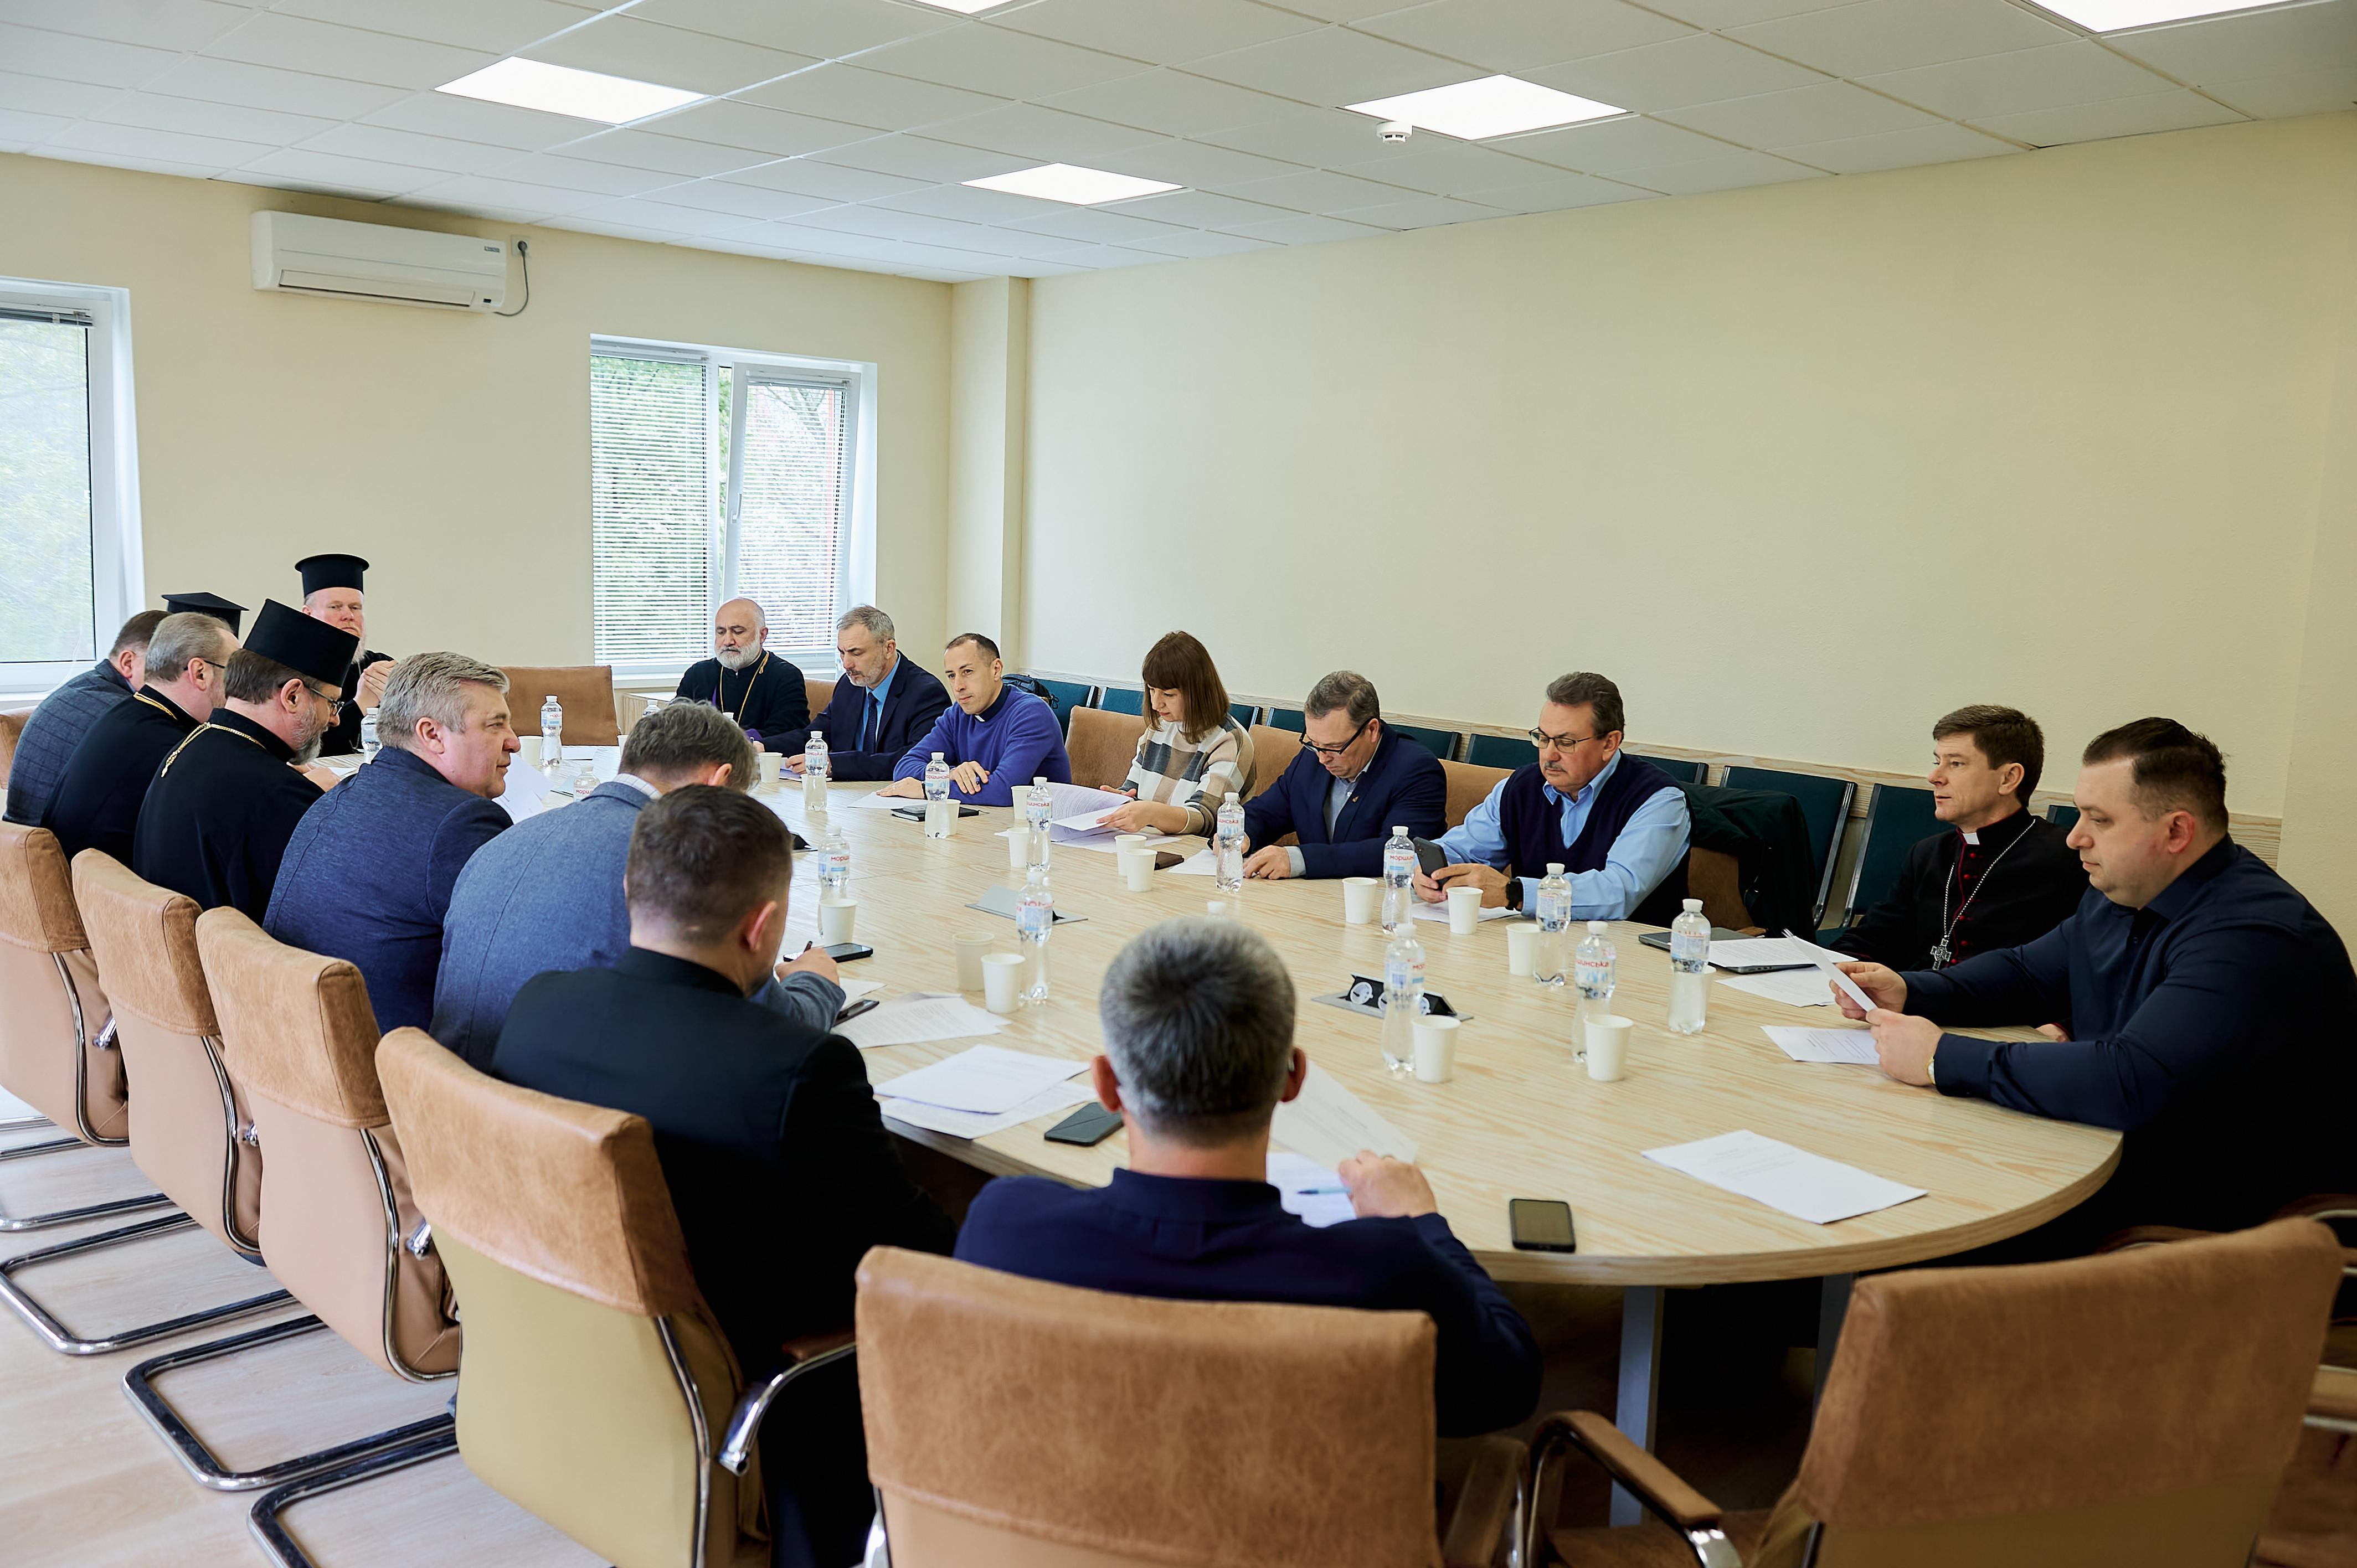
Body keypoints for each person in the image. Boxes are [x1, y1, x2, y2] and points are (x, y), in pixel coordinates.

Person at [493, 786, 954, 1568]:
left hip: (565, 1363)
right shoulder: (797, 1068)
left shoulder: (539, 1008)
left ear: (631, 890)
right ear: (763, 927)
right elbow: (920, 1256)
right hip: (756, 1394)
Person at [955, 916, 1541, 1436]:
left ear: (1106, 1086)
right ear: (1293, 1078)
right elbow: (1511, 1383)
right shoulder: (1387, 1274)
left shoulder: (1005, 1229)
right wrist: (1422, 1221)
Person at [1836, 718, 2357, 1241]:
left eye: (2100, 820)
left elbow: (2131, 1079)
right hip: (2115, 1155)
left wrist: (1940, 1057)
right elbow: (2026, 972)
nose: (2075, 837)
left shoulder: (2251, 934)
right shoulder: (2127, 890)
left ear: (2176, 832)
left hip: (2219, 1219)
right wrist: (1911, 990)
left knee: (1912, 1215)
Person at [432, 701, 845, 1067]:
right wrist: (816, 983)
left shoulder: (502, 841)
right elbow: (768, 1028)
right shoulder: (675, 865)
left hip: (452, 1095)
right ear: (718, 783)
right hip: (576, 1111)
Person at [264, 654, 516, 1033]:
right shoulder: (463, 822)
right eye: (495, 725)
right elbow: (510, 962)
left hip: (300, 1037)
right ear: (432, 734)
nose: (514, 742)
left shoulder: (346, 793)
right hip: (392, 1055)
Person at [132, 600, 354, 919]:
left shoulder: (197, 742)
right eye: (332, 703)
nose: (334, 720)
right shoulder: (277, 793)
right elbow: (318, 913)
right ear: (292, 696)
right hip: (223, 949)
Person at [1416, 671, 1691, 924]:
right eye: (1543, 739)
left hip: (1626, 951)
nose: (1549, 755)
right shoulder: (1520, 787)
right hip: (1535, 940)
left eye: (1566, 743)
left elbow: (1619, 890)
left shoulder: (1659, 800)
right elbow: (1461, 849)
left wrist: (1515, 893)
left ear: (1610, 743)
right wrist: (1429, 872)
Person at [1834, 705, 2087, 971]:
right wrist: (1832, 966)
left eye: (1956, 764)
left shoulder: (2068, 857)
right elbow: (1876, 938)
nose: (1934, 777)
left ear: (2008, 779)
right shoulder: (1927, 854)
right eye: (1937, 762)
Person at [42, 612, 238, 865]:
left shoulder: (128, 712)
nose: (238, 687)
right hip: (103, 884)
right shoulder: (176, 746)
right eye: (233, 672)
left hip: (89, 876)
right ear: (200, 673)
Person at [1240, 671, 1444, 880]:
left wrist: (1300, 860)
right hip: (1312, 895)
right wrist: (1242, 834)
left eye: (1334, 747)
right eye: (1314, 743)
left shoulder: (1417, 770)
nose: (1322, 759)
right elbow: (1268, 811)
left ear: (1372, 730)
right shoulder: (1312, 756)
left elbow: (1397, 852)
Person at [4, 610, 164, 828]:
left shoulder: (85, 685)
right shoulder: (124, 714)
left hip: (30, 837)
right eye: (164, 666)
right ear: (128, 662)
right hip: (61, 844)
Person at [877, 633, 1071, 807]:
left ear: (996, 670)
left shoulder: (1032, 714)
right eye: (952, 676)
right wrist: (948, 773)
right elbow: (904, 767)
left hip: (1042, 827)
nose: (958, 686)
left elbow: (1004, 790)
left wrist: (929, 789)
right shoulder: (957, 714)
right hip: (985, 823)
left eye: (967, 672)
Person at [1094, 631, 1257, 837]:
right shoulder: (1159, 729)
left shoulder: (1229, 740)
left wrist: (1150, 813)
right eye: (1152, 690)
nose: (1156, 704)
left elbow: (1205, 818)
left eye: (1168, 694)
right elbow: (1133, 792)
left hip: (1198, 852)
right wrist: (1120, 800)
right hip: (1148, 844)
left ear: (1198, 692)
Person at [786, 605, 951, 782]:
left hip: (894, 792)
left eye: (856, 653)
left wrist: (836, 765)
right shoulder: (849, 685)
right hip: (846, 793)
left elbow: (915, 760)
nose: (846, 664)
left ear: (888, 649)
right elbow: (814, 736)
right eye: (842, 653)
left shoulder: (926, 693)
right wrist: (766, 747)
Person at [673, 597, 807, 754]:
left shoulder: (785, 676)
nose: (728, 641)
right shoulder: (698, 673)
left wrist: (738, 740)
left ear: (762, 635)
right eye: (721, 632)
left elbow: (791, 734)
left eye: (738, 632)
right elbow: (676, 721)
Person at [297, 554, 394, 759]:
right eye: (335, 607)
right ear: (308, 615)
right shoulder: (289, 668)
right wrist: (361, 704)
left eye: (355, 608)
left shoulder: (379, 665)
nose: (348, 616)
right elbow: (300, 746)